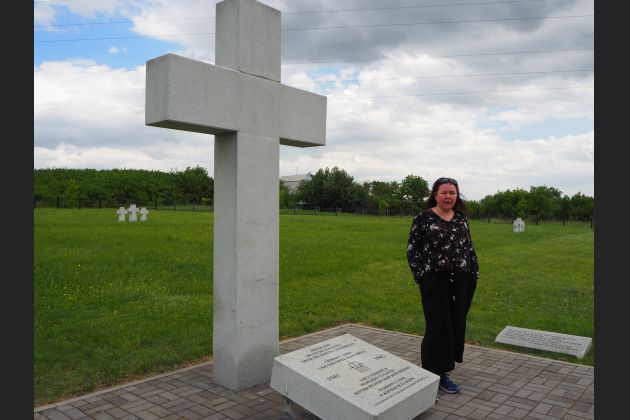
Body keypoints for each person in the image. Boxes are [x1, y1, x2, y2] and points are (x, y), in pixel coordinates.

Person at [406, 177, 479, 394]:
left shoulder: (461, 219)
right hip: (435, 281)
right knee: (437, 326)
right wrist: (422, 276)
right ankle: (434, 372)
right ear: (435, 195)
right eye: (444, 192)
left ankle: (444, 367)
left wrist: (474, 273)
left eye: (452, 193)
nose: (448, 196)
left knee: (455, 324)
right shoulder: (423, 218)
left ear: (457, 196)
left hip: (462, 280)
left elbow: (469, 248)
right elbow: (413, 249)